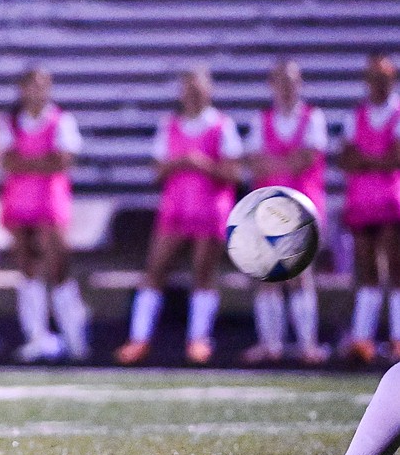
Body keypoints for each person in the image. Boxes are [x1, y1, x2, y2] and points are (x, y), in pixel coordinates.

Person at [115, 67, 242, 366]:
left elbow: (233, 173)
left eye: (198, 89)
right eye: (189, 89)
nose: (193, 95)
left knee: (203, 274)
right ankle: (139, 338)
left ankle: (198, 339)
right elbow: (157, 170)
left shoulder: (222, 125)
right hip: (175, 209)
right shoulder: (170, 125)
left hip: (210, 210)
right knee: (154, 270)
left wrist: (201, 164)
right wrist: (181, 163)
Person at [240, 60, 329, 366]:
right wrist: (285, 161)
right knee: (267, 273)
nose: (287, 88)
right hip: (268, 207)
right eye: (281, 81)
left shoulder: (312, 117)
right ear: (272, 84)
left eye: (292, 81)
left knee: (299, 272)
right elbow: (253, 161)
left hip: (303, 206)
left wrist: (272, 161)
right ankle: (271, 343)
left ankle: (307, 343)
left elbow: (305, 159)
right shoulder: (261, 119)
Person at [1, 67, 90, 362]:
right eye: (31, 85)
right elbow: (7, 160)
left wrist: (27, 162)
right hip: (19, 203)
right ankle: (37, 337)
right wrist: (40, 161)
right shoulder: (12, 122)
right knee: (27, 268)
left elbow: (61, 161)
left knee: (58, 267)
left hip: (50, 204)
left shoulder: (60, 120)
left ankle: (74, 335)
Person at [336, 53, 400, 364]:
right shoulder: (358, 114)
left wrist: (366, 159)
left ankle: (398, 336)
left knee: (396, 267)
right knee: (368, 269)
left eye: (382, 78)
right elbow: (345, 158)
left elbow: (395, 158)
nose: (376, 84)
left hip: (392, 199)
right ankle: (363, 337)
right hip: (363, 201)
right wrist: (378, 159)